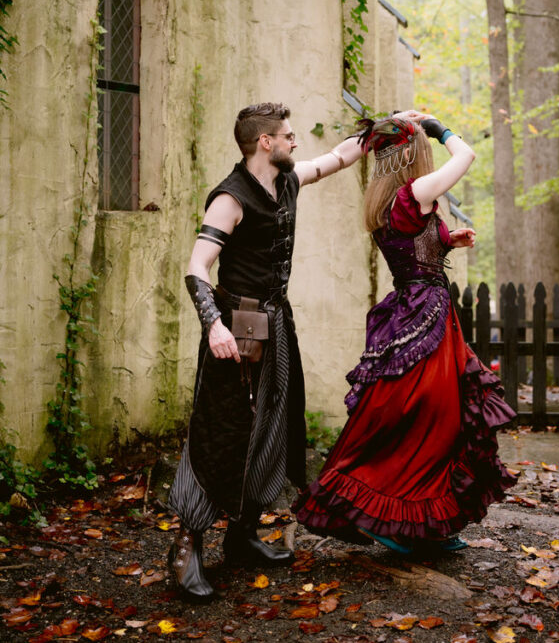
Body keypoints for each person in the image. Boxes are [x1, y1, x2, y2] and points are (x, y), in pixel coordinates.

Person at [168, 102, 424, 599]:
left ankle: (242, 537)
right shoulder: (230, 198)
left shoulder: (287, 180)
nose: (294, 141)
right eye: (287, 135)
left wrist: (394, 124)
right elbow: (197, 265)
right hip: (233, 328)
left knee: (275, 427)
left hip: (276, 323)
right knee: (221, 433)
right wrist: (213, 324)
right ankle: (185, 547)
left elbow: (338, 157)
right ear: (265, 142)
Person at [295, 115, 517, 555]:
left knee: (438, 419)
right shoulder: (413, 192)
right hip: (425, 318)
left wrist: (447, 241)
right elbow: (467, 155)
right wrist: (438, 128)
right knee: (438, 418)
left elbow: (410, 247)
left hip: (422, 313)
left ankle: (426, 524)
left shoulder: (387, 200)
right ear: (414, 154)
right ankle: (395, 521)